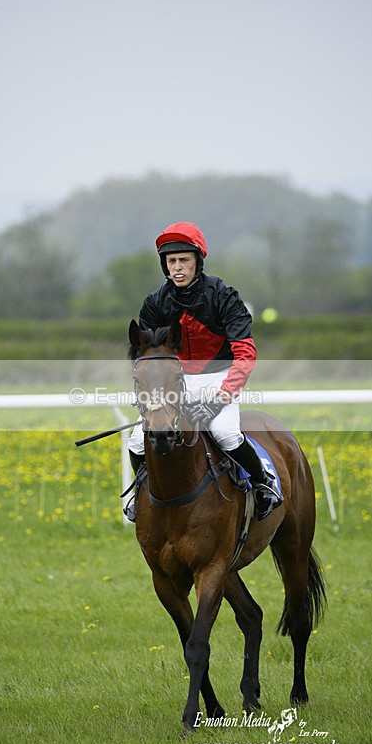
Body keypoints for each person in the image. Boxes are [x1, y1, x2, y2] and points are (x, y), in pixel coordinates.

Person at [126, 221, 282, 522]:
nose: (178, 267)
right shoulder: (155, 303)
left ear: (198, 261)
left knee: (224, 433)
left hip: (220, 379)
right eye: (171, 262)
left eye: (184, 260)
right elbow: (148, 358)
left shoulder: (223, 295)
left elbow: (246, 354)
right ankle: (142, 492)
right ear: (165, 266)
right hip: (176, 382)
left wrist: (220, 397)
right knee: (136, 440)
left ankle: (264, 484)